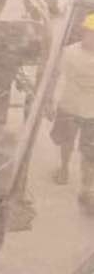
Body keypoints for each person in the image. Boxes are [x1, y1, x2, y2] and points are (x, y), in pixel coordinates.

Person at [48, 14, 94, 211]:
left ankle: (87, 186)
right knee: (66, 140)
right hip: (70, 104)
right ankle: (64, 168)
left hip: (92, 111)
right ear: (83, 32)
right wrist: (50, 100)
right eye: (90, 33)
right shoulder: (69, 52)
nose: (92, 38)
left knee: (90, 150)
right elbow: (56, 76)